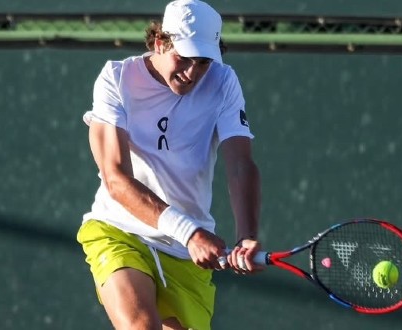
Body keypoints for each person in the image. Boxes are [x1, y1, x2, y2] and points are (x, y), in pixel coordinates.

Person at [76, 0, 263, 329]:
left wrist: (246, 235)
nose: (192, 72)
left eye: (202, 61)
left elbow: (240, 165)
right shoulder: (116, 78)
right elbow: (115, 179)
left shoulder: (223, 82)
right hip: (121, 230)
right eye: (184, 57)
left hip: (185, 254)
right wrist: (190, 233)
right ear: (160, 42)